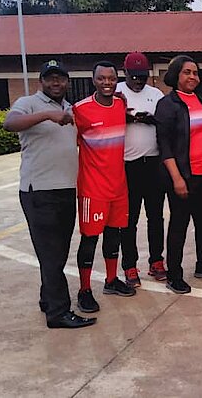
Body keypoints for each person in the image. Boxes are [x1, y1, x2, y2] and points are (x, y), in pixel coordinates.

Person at [4, 60, 95, 329]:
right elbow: (10, 123)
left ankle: (47, 299)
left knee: (57, 253)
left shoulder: (69, 108)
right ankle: (58, 313)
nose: (56, 83)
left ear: (67, 82)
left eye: (60, 78)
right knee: (52, 254)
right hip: (39, 192)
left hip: (66, 190)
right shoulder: (29, 103)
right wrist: (46, 115)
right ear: (41, 81)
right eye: (50, 78)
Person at [155, 55, 202, 294]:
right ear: (176, 75)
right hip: (184, 176)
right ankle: (174, 275)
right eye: (187, 72)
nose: (192, 77)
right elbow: (164, 145)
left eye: (195, 73)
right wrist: (177, 178)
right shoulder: (168, 104)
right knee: (179, 226)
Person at [72, 61, 136, 314]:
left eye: (111, 78)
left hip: (119, 186)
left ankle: (111, 280)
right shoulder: (80, 110)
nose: (107, 83)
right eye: (101, 78)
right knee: (90, 239)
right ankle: (84, 290)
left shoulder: (120, 104)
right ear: (93, 80)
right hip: (93, 189)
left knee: (114, 235)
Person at [116, 52, 166, 288]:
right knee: (129, 219)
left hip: (153, 163)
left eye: (142, 77)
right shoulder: (116, 93)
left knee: (156, 217)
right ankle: (130, 266)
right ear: (124, 73)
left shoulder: (155, 94)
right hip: (128, 165)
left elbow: (165, 122)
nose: (138, 81)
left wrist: (151, 119)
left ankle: (156, 261)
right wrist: (126, 118)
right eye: (134, 76)